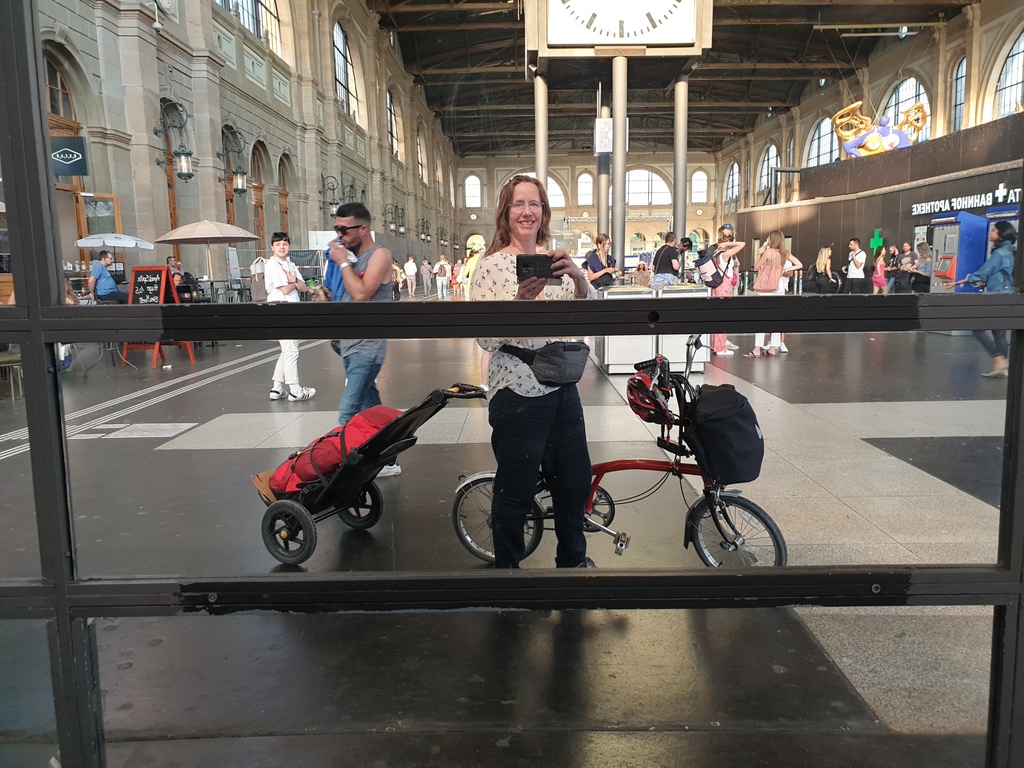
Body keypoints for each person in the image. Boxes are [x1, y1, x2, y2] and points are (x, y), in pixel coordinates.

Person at [469, 174, 598, 569]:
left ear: (544, 213)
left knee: (574, 482)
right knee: (516, 491)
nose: (527, 211)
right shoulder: (490, 267)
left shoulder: (557, 263)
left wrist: (578, 277)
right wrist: (518, 302)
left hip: (561, 386)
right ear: (505, 214)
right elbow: (486, 340)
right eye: (519, 204)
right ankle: (508, 569)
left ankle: (572, 561)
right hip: (518, 393)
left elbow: (589, 315)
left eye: (535, 204)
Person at [327, 202, 401, 476]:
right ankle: (390, 457)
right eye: (336, 229)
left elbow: (361, 294)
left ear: (363, 228)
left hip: (367, 348)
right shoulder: (351, 257)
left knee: (349, 409)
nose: (339, 236)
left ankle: (338, 472)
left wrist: (343, 261)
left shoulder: (380, 255)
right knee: (371, 407)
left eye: (343, 230)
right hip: (348, 345)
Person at [945, 221, 1016, 378]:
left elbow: (983, 272)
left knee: (977, 327)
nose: (990, 232)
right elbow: (1003, 274)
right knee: (999, 333)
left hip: (996, 297)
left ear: (1000, 235)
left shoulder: (999, 254)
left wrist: (959, 281)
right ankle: (1004, 368)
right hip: (1006, 296)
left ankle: (998, 359)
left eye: (994, 230)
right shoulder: (1010, 251)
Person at [264, 232, 316, 402]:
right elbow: (285, 289)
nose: (282, 247)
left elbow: (303, 288)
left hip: (291, 310)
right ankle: (295, 390)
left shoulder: (291, 264)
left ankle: (277, 388)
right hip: (280, 309)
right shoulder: (272, 265)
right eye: (278, 244)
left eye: (285, 243)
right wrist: (294, 282)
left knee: (286, 350)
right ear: (272, 247)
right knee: (291, 350)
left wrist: (293, 281)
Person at [745, 230, 792, 357]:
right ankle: (773, 347)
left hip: (766, 288)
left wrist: (759, 254)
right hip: (779, 287)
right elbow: (799, 264)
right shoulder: (784, 253)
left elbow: (756, 266)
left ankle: (757, 348)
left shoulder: (768, 252)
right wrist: (783, 270)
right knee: (775, 318)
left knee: (761, 318)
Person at [706, 227, 746, 355]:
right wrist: (728, 244)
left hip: (717, 286)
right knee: (722, 316)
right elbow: (743, 244)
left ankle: (716, 345)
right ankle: (720, 347)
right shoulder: (725, 254)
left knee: (717, 316)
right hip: (725, 286)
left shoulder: (715, 253)